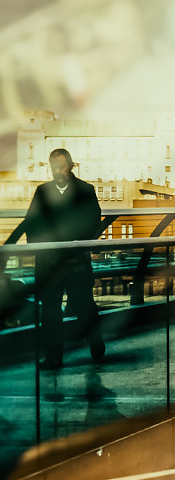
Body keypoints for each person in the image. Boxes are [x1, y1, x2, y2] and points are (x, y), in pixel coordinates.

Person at [13, 148, 104, 370]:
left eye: (61, 166)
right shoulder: (43, 191)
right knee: (51, 311)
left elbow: (94, 223)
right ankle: (53, 357)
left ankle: (94, 340)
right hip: (50, 262)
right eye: (54, 166)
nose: (57, 170)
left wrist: (77, 246)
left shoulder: (85, 190)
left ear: (71, 165)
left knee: (84, 306)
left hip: (74, 261)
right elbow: (31, 222)